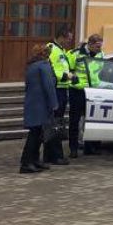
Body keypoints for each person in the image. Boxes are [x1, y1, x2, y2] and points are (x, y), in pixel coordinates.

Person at [20, 44, 58, 174]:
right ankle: (27, 163)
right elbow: (49, 85)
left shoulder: (32, 66)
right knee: (35, 135)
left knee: (37, 133)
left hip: (32, 103)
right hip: (41, 105)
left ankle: (34, 160)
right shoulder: (43, 66)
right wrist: (54, 103)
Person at [44, 27, 76, 166]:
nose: (70, 41)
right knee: (55, 124)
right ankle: (55, 155)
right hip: (56, 90)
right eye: (68, 38)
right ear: (61, 37)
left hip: (62, 89)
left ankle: (51, 155)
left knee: (56, 123)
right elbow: (52, 70)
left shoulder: (61, 50)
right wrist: (67, 76)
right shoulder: (52, 49)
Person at [70, 33, 104, 157]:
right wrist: (74, 81)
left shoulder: (101, 54)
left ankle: (90, 147)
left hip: (94, 91)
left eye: (100, 46)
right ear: (89, 44)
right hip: (78, 91)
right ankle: (73, 149)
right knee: (75, 121)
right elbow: (69, 71)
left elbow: (102, 72)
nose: (99, 49)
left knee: (92, 120)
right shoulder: (75, 54)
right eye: (97, 46)